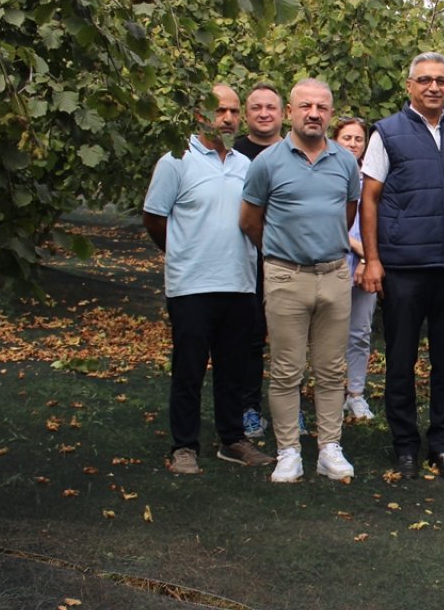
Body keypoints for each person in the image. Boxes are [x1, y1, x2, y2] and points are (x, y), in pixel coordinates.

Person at [358, 52, 444, 481]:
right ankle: (405, 446)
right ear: (409, 85)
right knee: (400, 361)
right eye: (424, 80)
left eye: (441, 80)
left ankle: (442, 446)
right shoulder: (387, 133)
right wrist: (373, 259)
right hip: (405, 269)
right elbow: (368, 198)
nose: (434, 87)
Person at [142, 83, 273, 474]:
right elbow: (154, 217)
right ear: (200, 114)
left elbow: (254, 220)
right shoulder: (176, 161)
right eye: (220, 111)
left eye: (234, 111)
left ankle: (232, 440)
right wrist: (182, 251)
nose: (228, 118)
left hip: (239, 282)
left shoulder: (245, 166)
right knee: (189, 369)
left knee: (234, 369)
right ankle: (184, 446)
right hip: (192, 285)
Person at [240, 78, 361, 483]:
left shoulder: (345, 161)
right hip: (286, 276)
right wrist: (282, 254)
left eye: (322, 107)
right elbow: (249, 221)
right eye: (305, 106)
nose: (314, 113)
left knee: (330, 369)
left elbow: (346, 216)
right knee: (287, 371)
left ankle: (329, 448)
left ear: (330, 112)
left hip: (333, 275)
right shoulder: (268, 162)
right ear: (290, 112)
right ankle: (288, 451)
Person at [233, 83, 286, 439]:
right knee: (249, 337)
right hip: (243, 261)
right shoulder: (234, 155)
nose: (264, 113)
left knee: (290, 338)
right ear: (245, 115)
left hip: (290, 261)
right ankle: (248, 407)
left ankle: (288, 412)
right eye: (256, 107)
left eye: (271, 107)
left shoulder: (296, 151)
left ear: (283, 113)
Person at [333, 116, 376, 421]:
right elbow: (331, 223)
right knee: (329, 335)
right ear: (336, 140)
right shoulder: (326, 175)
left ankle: (356, 394)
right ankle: (331, 393)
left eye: (358, 139)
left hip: (364, 267)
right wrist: (362, 253)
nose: (353, 144)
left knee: (360, 332)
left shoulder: (371, 179)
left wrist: (366, 260)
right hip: (334, 265)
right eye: (347, 137)